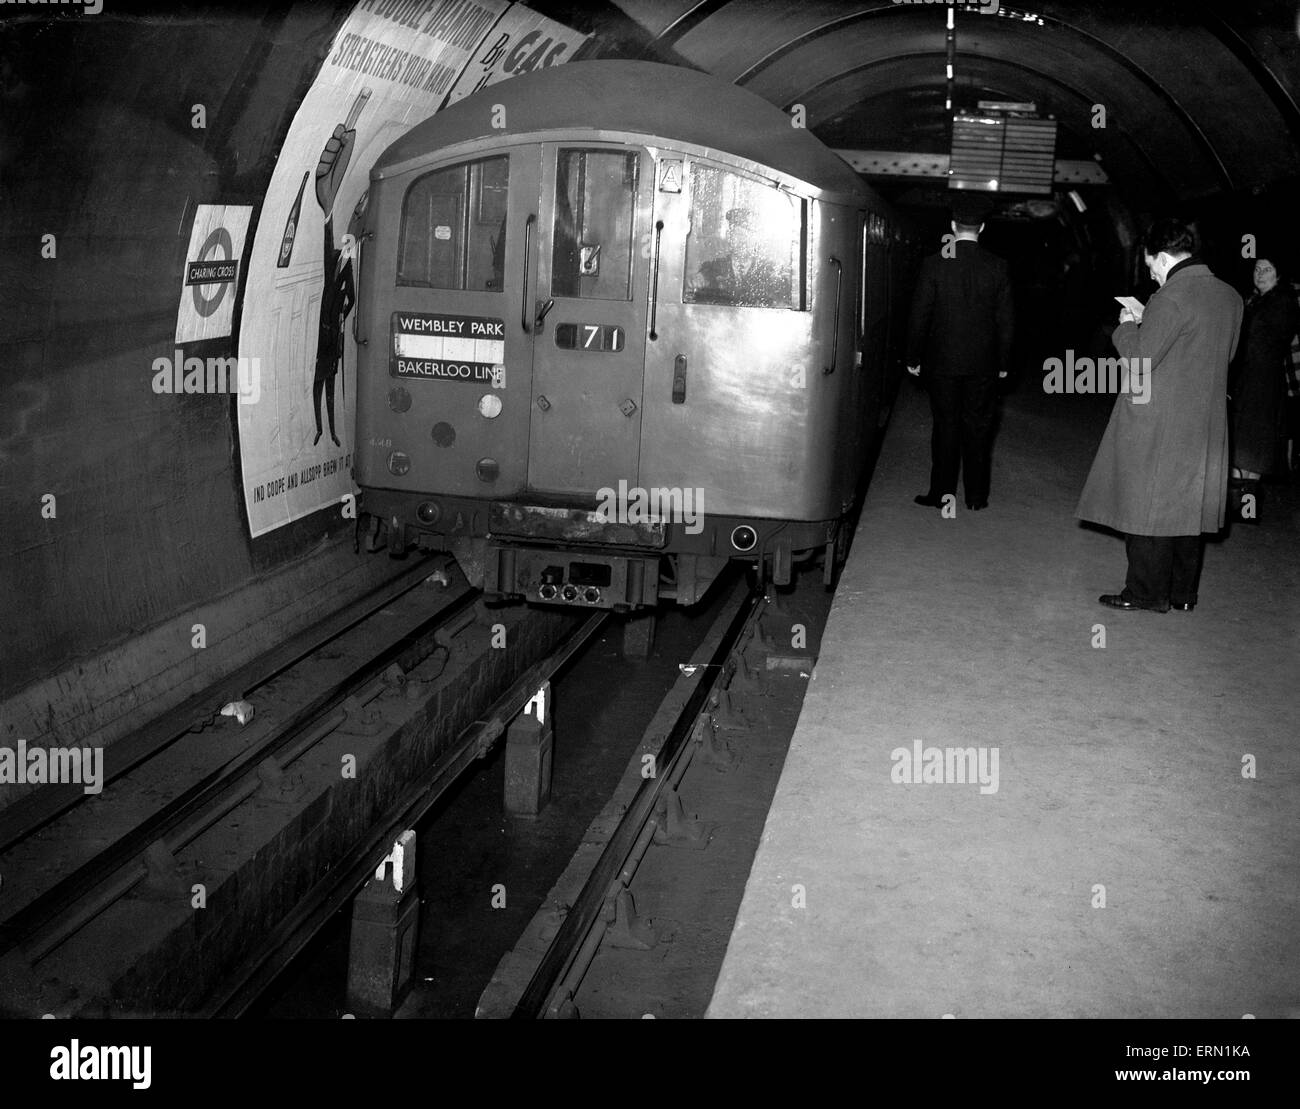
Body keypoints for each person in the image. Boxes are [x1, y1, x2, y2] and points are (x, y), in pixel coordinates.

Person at [1075, 218, 1243, 612]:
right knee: (1188, 509)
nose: (1151, 274)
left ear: (1164, 257)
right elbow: (1226, 356)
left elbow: (1140, 359)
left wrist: (1127, 327)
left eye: (1151, 265)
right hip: (1206, 421)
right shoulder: (1230, 296)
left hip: (1160, 420)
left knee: (1147, 507)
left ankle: (1145, 593)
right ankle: (1183, 594)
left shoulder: (1170, 298)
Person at [905, 194, 1014, 511]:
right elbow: (1006, 320)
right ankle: (977, 498)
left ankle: (941, 494)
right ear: (982, 227)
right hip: (984, 364)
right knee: (979, 428)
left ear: (953, 226)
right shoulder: (998, 267)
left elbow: (919, 315)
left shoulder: (934, 264)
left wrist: (913, 357)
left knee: (946, 426)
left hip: (942, 363)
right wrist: (1004, 363)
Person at [1228, 258, 1299, 513]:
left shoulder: (1282, 302)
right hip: (1249, 378)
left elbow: (1262, 339)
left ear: (1278, 275)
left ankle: (1245, 506)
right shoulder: (1256, 300)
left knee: (1254, 445)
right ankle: (1239, 503)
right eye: (1256, 269)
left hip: (1263, 381)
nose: (1260, 274)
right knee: (1244, 442)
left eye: (1267, 269)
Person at [693, 207, 791, 307]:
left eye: (749, 235)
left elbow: (783, 304)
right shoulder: (712, 269)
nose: (743, 240)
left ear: (757, 239)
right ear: (729, 236)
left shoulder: (770, 271)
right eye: (738, 234)